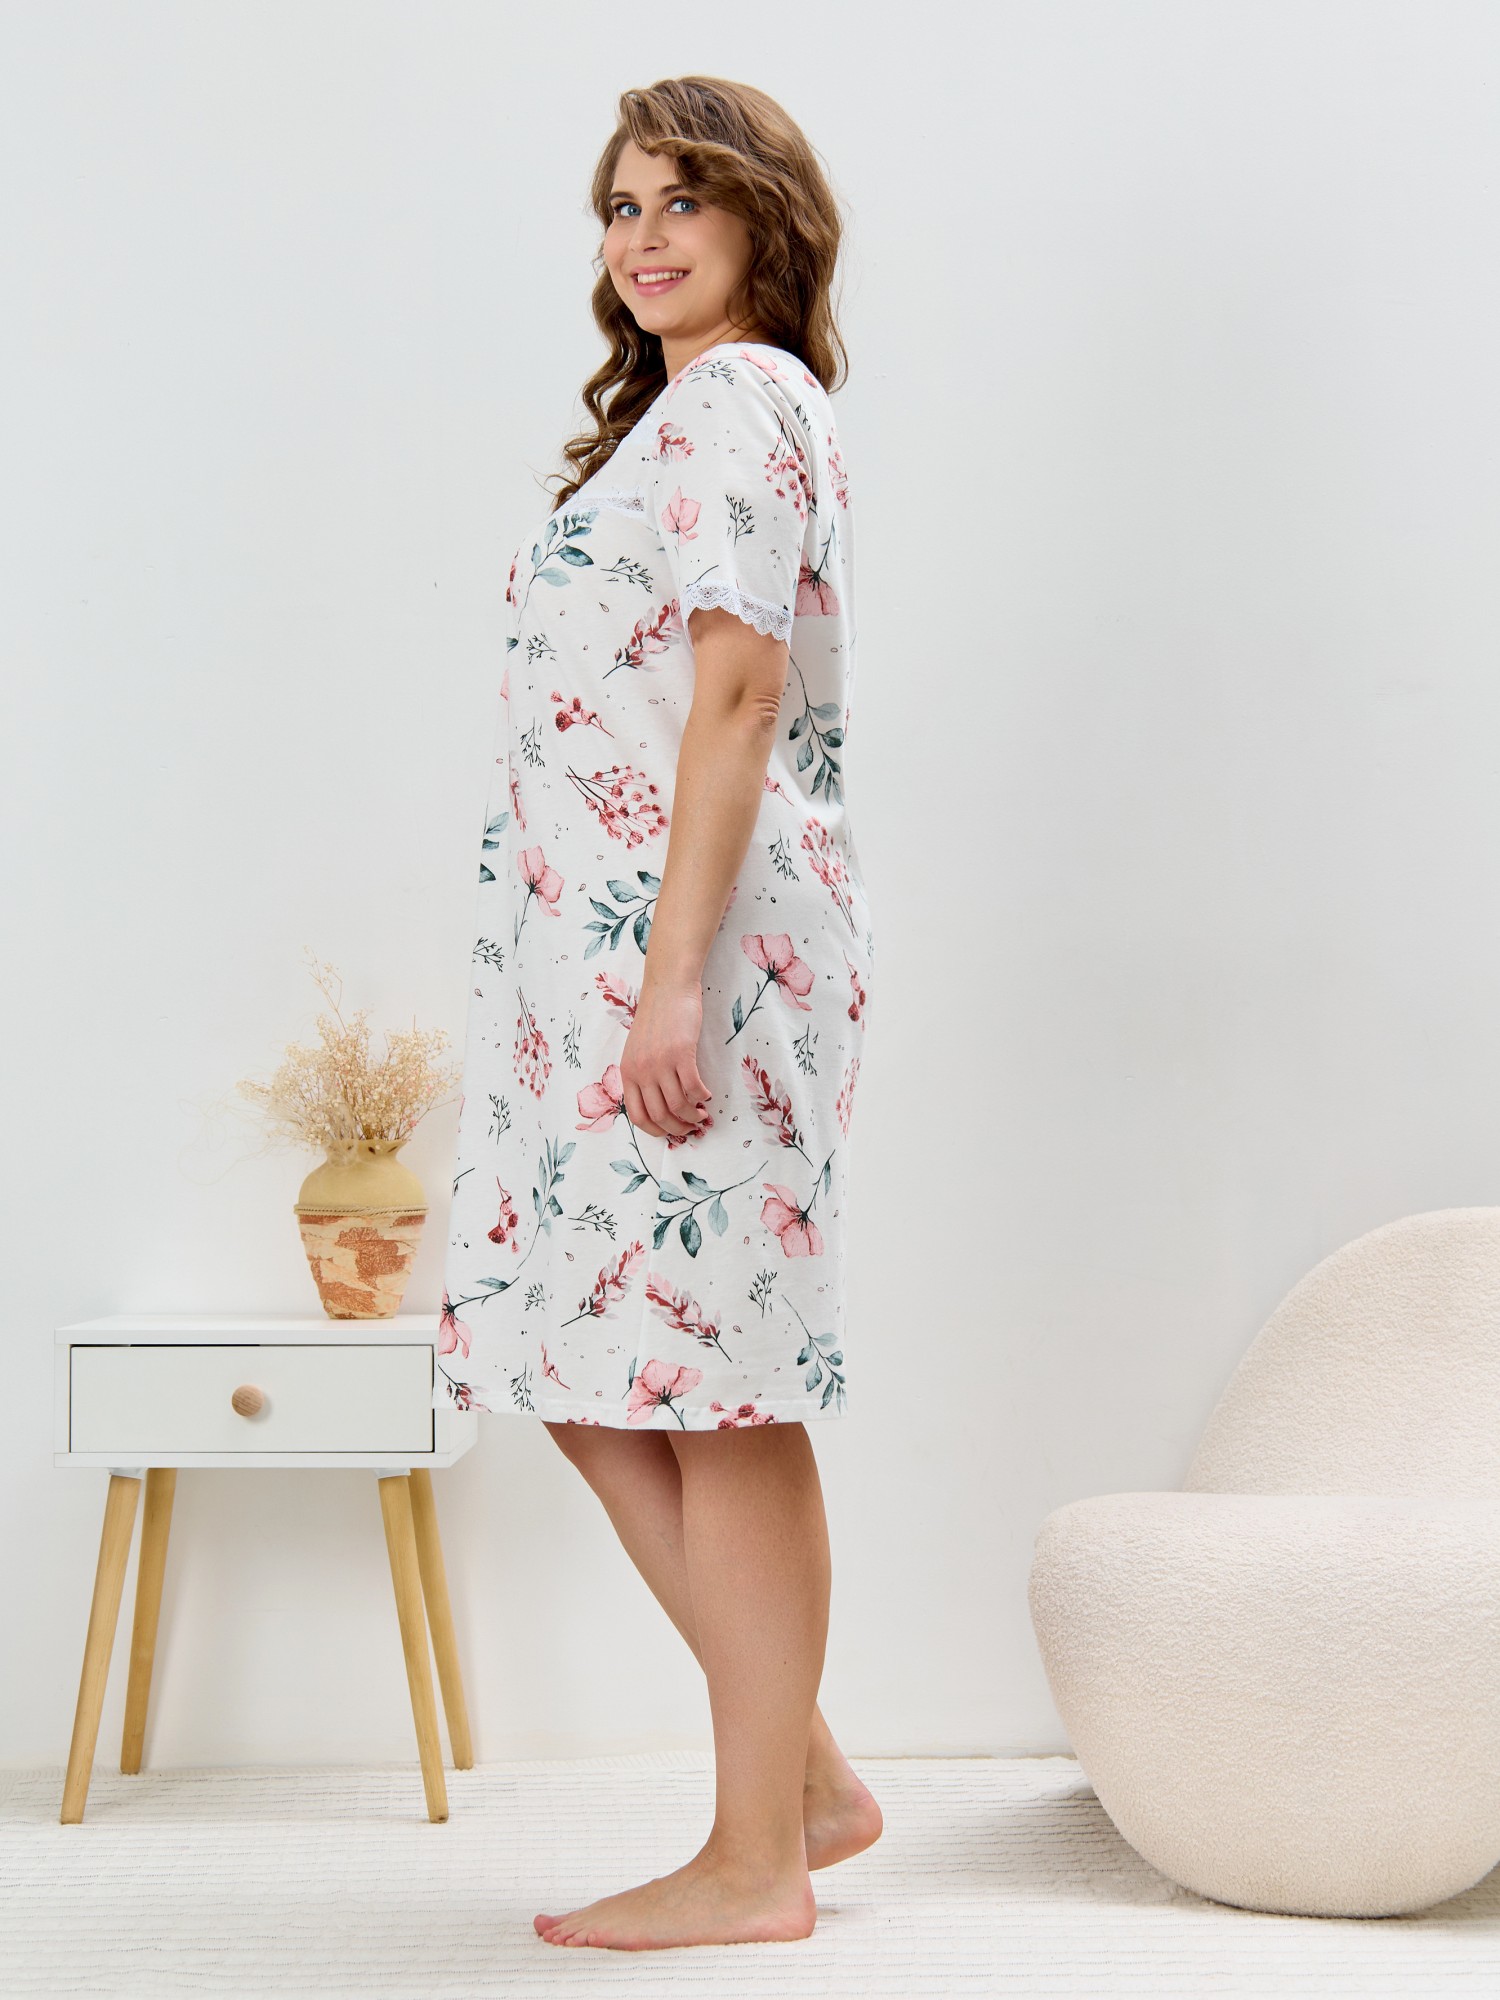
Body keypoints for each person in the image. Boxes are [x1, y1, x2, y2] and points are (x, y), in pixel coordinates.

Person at [438, 74, 878, 1950]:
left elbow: (739, 694)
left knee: (718, 1394)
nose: (643, 237)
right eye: (621, 208)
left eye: (682, 198)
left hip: (693, 970)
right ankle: (809, 1780)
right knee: (577, 1365)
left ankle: (757, 1860)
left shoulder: (744, 402)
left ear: (767, 214)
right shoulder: (678, 421)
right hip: (601, 979)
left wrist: (673, 979)